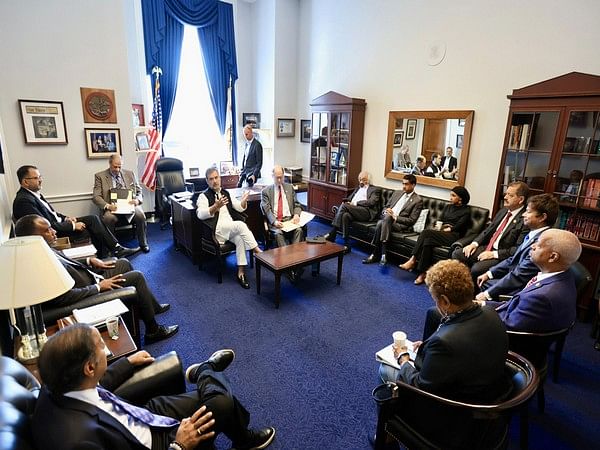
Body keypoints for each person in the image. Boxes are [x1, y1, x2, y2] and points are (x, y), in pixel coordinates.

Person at [32, 324, 276, 450]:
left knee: (216, 399)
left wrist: (127, 362)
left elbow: (95, 384)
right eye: (100, 346)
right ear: (89, 367)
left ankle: (242, 438)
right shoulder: (79, 442)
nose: (105, 350)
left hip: (139, 414)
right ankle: (205, 370)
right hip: (157, 442)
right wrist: (178, 446)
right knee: (220, 400)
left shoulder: (57, 382)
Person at [14, 215, 178, 344]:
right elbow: (63, 298)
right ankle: (153, 330)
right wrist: (99, 287)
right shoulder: (37, 264)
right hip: (88, 292)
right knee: (137, 277)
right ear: (33, 237)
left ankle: (151, 307)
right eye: (48, 230)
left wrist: (88, 260)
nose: (54, 232)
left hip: (87, 277)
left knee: (122, 263)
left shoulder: (42, 248)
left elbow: (65, 262)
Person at [378, 260, 508, 404]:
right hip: (487, 387)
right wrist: (428, 347)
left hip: (457, 407)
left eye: (435, 299)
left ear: (445, 301)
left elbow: (421, 385)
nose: (435, 303)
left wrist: (403, 358)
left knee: (384, 369)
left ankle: (395, 414)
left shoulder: (444, 342)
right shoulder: (491, 312)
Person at [13, 165, 138, 258]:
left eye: (40, 177)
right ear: (25, 182)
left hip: (59, 224)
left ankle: (114, 249)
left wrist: (66, 218)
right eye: (36, 178)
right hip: (54, 232)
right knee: (88, 229)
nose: (40, 180)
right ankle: (105, 255)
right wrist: (73, 225)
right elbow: (46, 226)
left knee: (93, 219)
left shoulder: (33, 194)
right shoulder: (24, 201)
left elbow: (52, 214)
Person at [475, 193, 558, 301]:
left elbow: (519, 276)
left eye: (528, 212)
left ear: (542, 217)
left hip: (522, 290)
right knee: (484, 279)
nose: (523, 215)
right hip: (515, 277)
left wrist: (487, 294)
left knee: (485, 286)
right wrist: (490, 273)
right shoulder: (533, 234)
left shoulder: (542, 243)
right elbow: (513, 259)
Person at [197, 167, 262, 289]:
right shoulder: (203, 196)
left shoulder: (226, 193)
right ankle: (258, 252)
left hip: (229, 228)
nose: (214, 181)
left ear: (220, 179)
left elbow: (239, 207)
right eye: (211, 179)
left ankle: (241, 273)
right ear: (207, 181)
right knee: (241, 225)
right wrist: (215, 207)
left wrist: (243, 201)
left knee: (240, 239)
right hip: (217, 229)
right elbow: (200, 214)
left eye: (216, 178)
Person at [452, 181, 529, 279]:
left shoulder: (525, 219)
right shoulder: (504, 211)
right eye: (506, 194)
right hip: (487, 247)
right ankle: (460, 286)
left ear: (521, 199)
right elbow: (488, 230)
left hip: (501, 254)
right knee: (458, 254)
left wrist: (493, 254)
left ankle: (469, 291)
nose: (505, 197)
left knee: (477, 269)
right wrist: (474, 244)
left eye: (510, 195)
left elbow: (517, 249)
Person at [399, 186, 471, 284]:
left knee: (425, 232)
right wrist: (438, 225)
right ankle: (423, 273)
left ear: (461, 198)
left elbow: (459, 226)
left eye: (453, 196)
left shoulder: (466, 211)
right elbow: (440, 219)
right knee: (427, 242)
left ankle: (413, 259)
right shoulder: (448, 207)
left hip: (454, 236)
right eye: (451, 195)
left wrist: (448, 228)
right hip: (442, 232)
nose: (450, 198)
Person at [93, 154, 150, 253]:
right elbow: (96, 197)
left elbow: (139, 191)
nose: (118, 169)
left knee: (140, 215)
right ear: (110, 164)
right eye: (115, 166)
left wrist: (137, 200)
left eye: (120, 166)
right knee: (108, 218)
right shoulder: (100, 176)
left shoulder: (130, 174)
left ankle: (143, 243)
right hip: (112, 207)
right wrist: (108, 206)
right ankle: (113, 248)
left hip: (129, 205)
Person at [362, 174, 422, 265]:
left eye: (406, 184)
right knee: (382, 222)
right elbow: (385, 208)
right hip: (387, 221)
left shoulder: (417, 200)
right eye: (403, 184)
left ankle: (375, 253)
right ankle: (382, 254)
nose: (403, 186)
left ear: (413, 185)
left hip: (400, 225)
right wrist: (386, 211)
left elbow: (411, 220)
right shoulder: (397, 193)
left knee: (382, 222)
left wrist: (395, 217)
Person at [324, 171, 381, 251]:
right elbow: (350, 198)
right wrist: (346, 201)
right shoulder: (358, 188)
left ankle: (333, 233)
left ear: (368, 180)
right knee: (345, 215)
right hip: (354, 210)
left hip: (366, 212)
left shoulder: (374, 189)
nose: (361, 181)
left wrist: (356, 203)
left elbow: (371, 202)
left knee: (344, 207)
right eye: (360, 179)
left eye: (363, 179)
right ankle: (347, 244)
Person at [261, 165, 304, 247]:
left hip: (290, 220)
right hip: (276, 221)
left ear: (284, 175)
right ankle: (285, 257)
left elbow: (297, 204)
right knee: (278, 234)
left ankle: (295, 256)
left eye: (281, 177)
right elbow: (267, 210)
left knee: (299, 230)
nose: (279, 180)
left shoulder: (289, 187)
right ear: (272, 176)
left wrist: (296, 214)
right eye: (277, 178)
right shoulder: (266, 192)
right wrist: (274, 221)